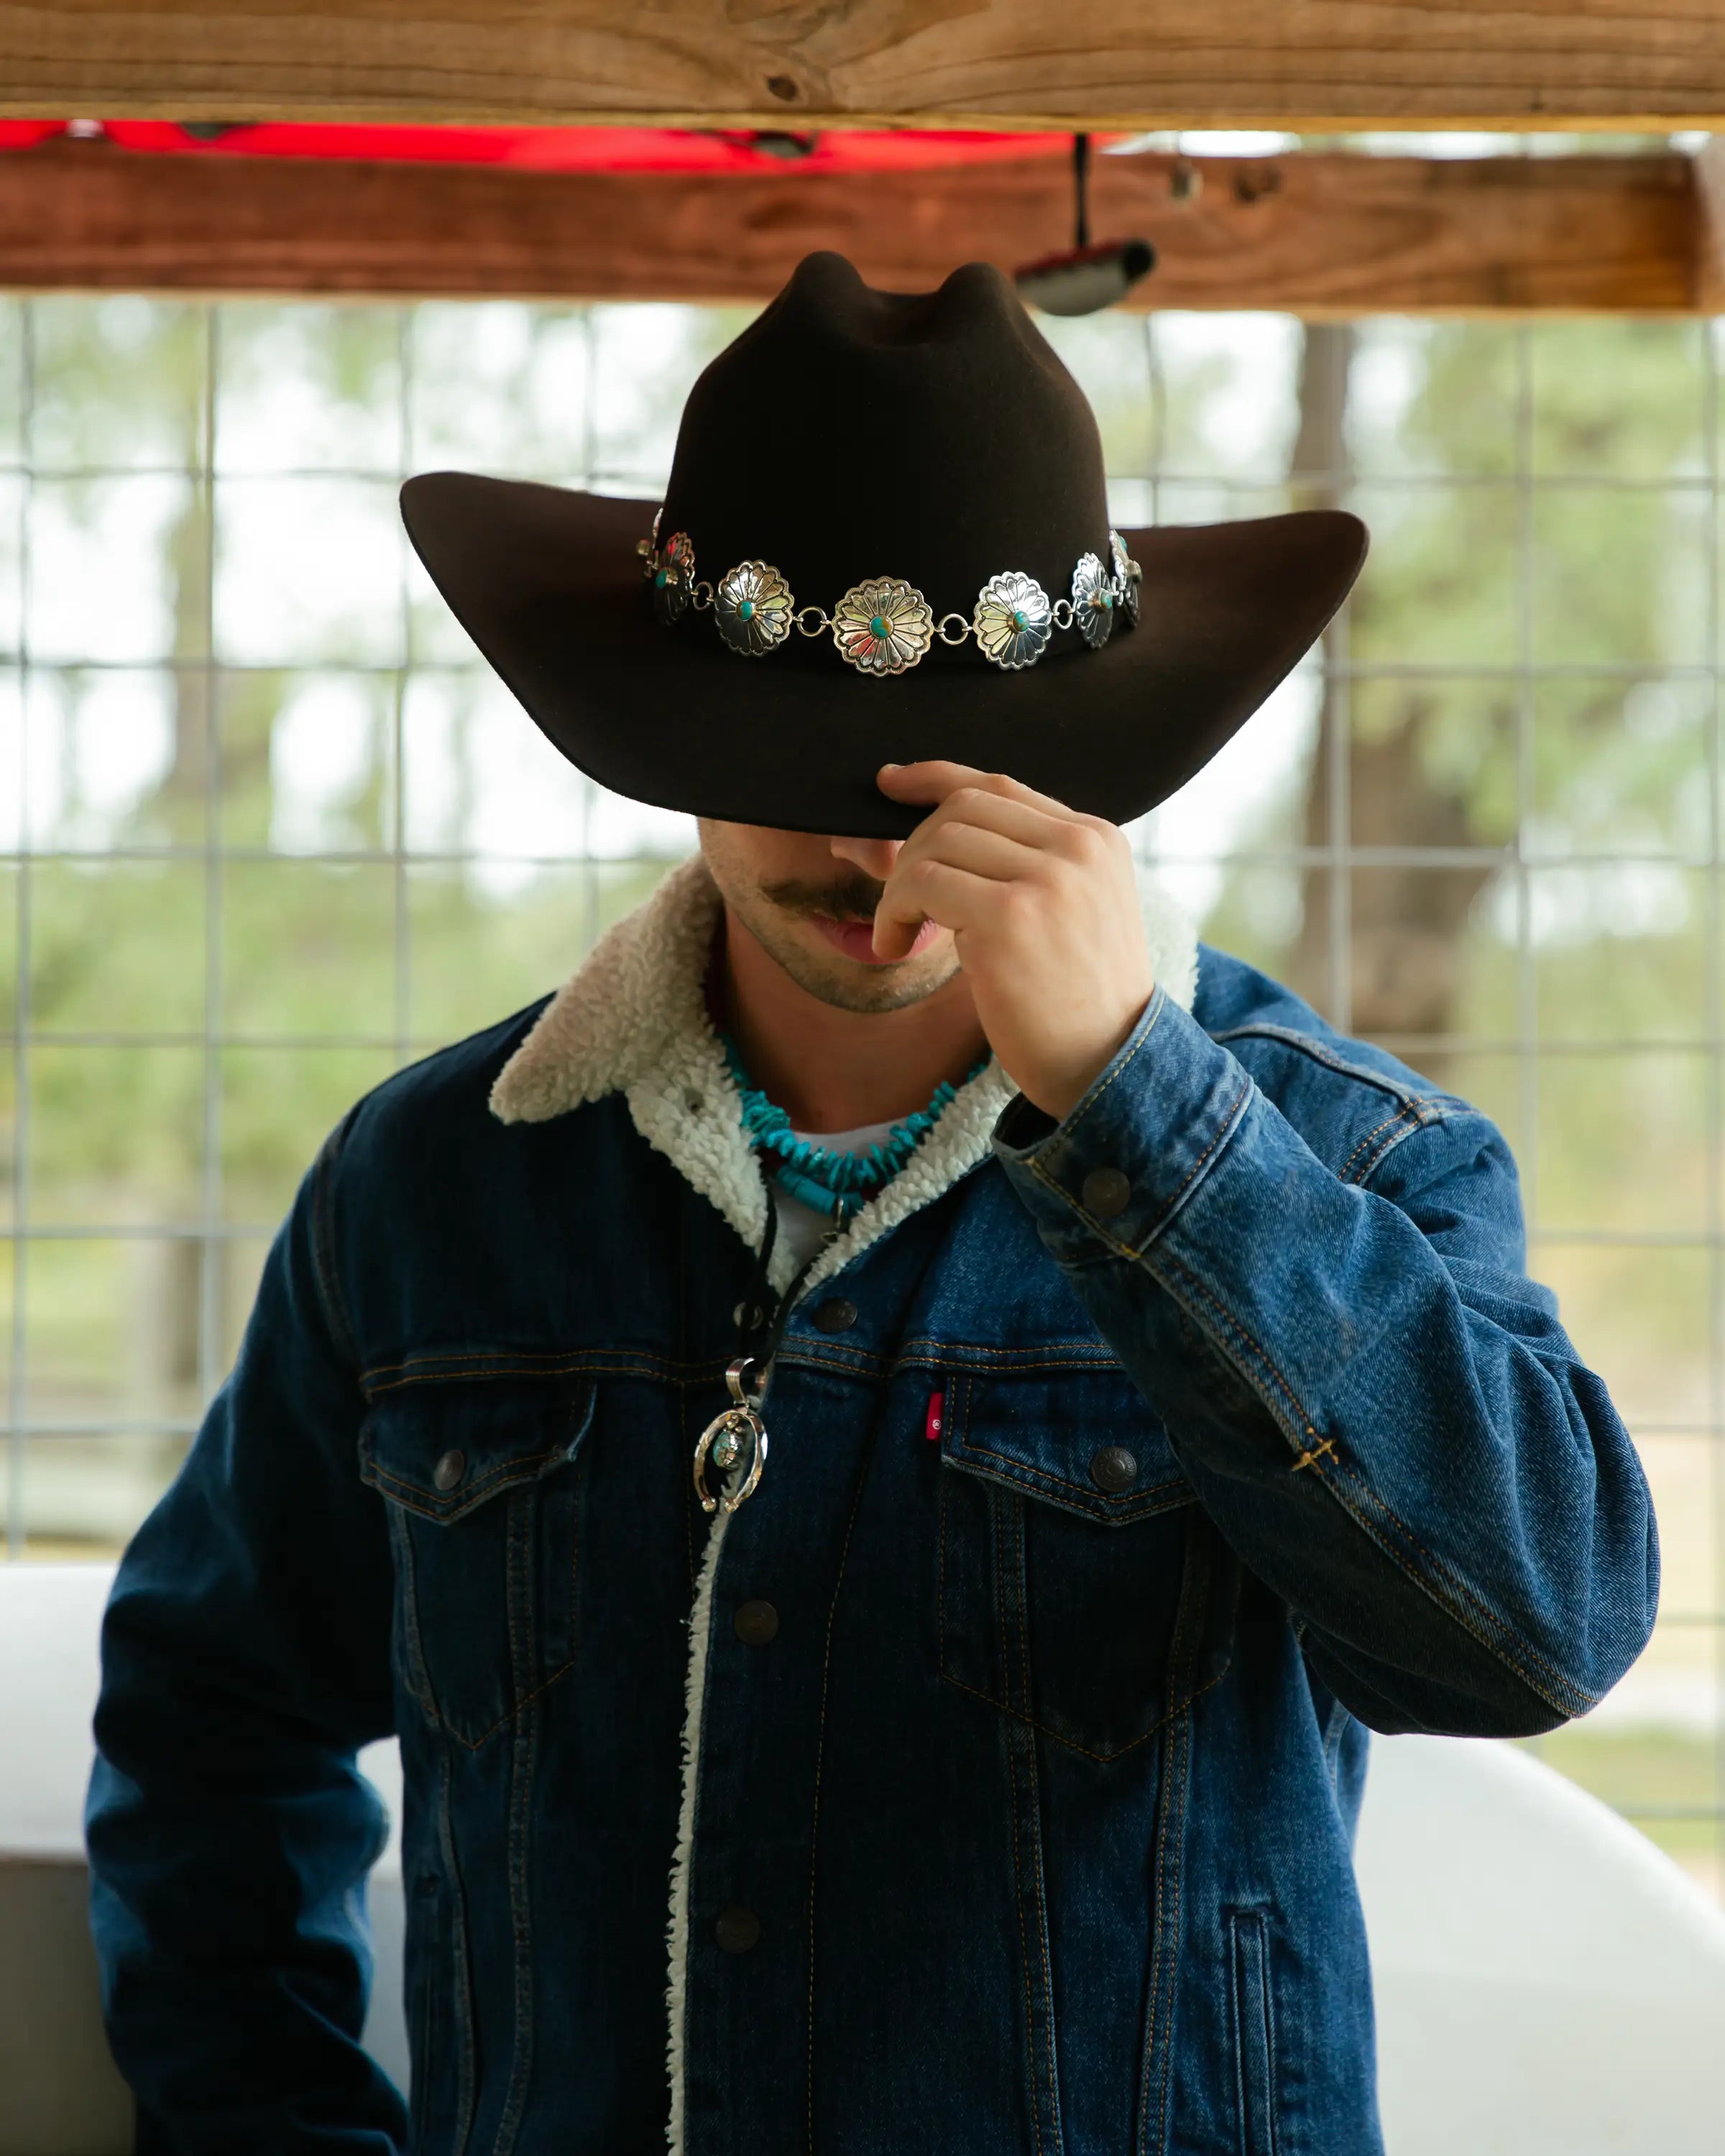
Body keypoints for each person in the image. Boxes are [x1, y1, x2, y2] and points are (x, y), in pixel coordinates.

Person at [86, 252, 1657, 2156]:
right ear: (666, 733)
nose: (862, 845)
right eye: (786, 763)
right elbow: (209, 1726)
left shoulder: (1354, 1160)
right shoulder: (432, 1187)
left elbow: (1533, 1634)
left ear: (1082, 763)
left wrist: (1136, 1113)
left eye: (938, 782)